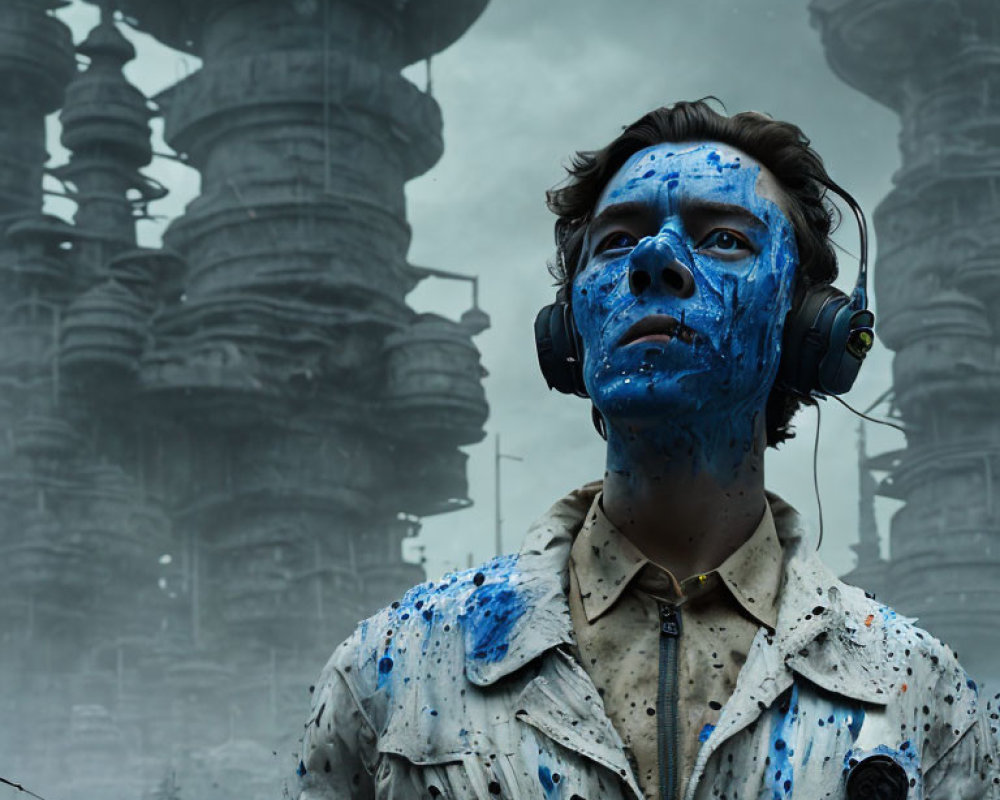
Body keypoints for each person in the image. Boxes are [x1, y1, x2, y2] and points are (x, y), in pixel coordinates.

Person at [296, 101, 998, 799]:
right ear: (571, 331)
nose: (655, 259)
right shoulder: (398, 672)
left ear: (808, 327)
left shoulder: (916, 696)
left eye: (723, 238)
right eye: (616, 242)